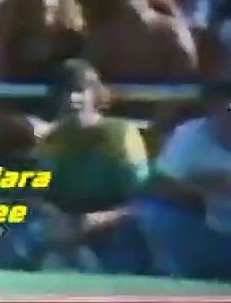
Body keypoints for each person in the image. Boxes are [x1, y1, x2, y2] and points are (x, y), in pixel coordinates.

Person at [139, 76, 231, 283]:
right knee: (156, 214)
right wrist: (203, 186)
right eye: (223, 109)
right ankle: (175, 276)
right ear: (209, 111)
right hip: (206, 230)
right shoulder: (188, 135)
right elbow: (161, 186)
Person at [14, 60, 151, 274]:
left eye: (79, 90)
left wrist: (98, 220)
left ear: (95, 95)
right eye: (65, 91)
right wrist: (55, 216)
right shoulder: (51, 139)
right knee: (25, 225)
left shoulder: (122, 135)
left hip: (112, 226)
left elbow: (143, 203)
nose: (72, 99)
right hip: (65, 222)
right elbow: (36, 195)